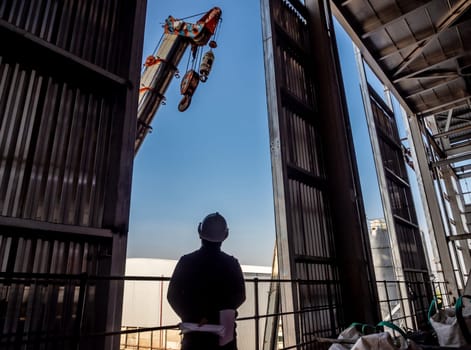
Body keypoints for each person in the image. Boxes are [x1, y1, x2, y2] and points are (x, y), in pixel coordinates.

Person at [167, 212, 246, 350]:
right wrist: (218, 314)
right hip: (224, 335)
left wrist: (192, 318)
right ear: (225, 236)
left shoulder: (186, 261)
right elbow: (240, 296)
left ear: (200, 233)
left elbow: (172, 296)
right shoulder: (232, 263)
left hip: (194, 335)